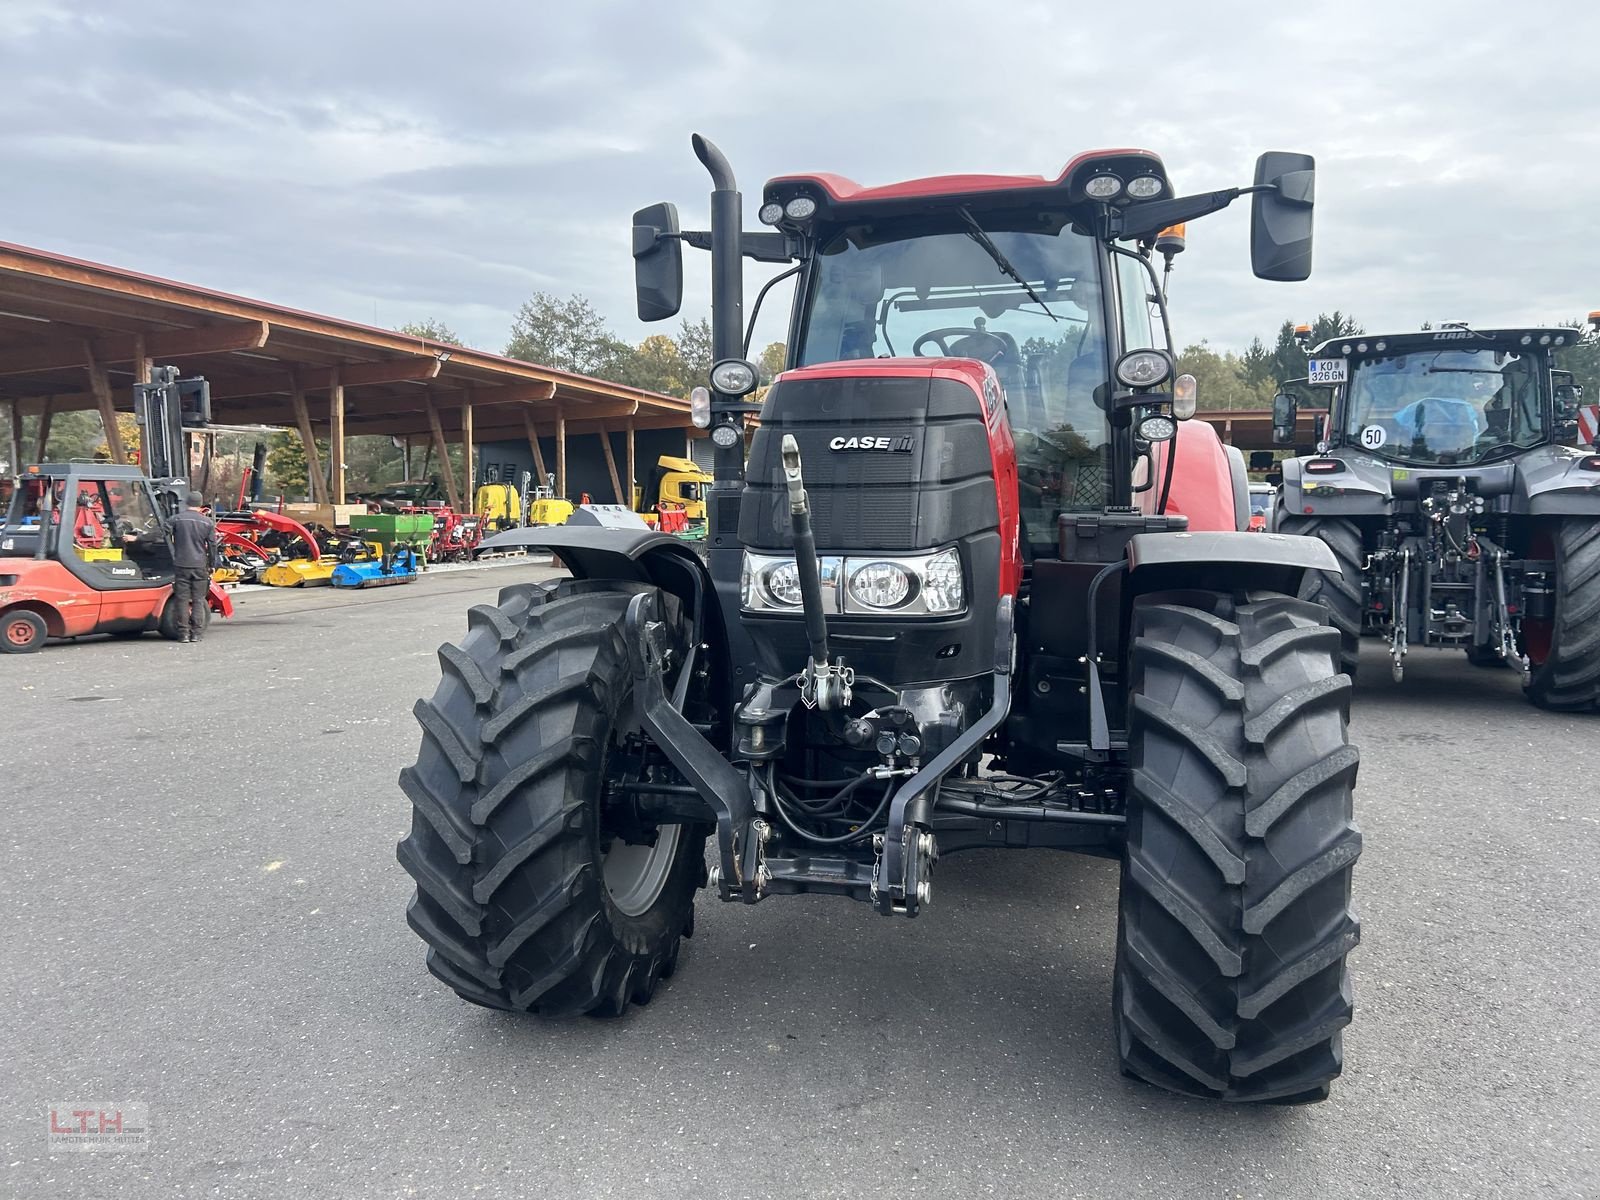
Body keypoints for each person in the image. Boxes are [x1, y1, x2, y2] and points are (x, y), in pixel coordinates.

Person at [167, 491, 216, 643]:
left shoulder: (176, 519)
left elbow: (162, 533)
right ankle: (196, 634)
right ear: (200, 504)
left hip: (181, 564)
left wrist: (137, 538)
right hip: (199, 565)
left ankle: (183, 634)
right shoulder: (207, 523)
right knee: (198, 600)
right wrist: (212, 564)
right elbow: (213, 546)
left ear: (187, 503)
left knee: (181, 600)